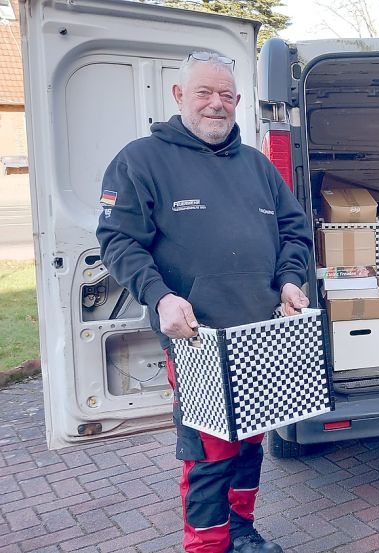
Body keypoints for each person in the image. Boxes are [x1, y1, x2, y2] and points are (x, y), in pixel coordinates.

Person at [97, 51, 313, 553]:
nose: (216, 104)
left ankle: (240, 531)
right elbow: (119, 241)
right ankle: (207, 545)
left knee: (249, 445)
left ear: (237, 102)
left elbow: (294, 231)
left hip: (260, 336)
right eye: (204, 93)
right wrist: (161, 297)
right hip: (199, 341)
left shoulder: (257, 165)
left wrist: (289, 279)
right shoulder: (141, 160)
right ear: (179, 96)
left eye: (226, 96)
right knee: (210, 453)